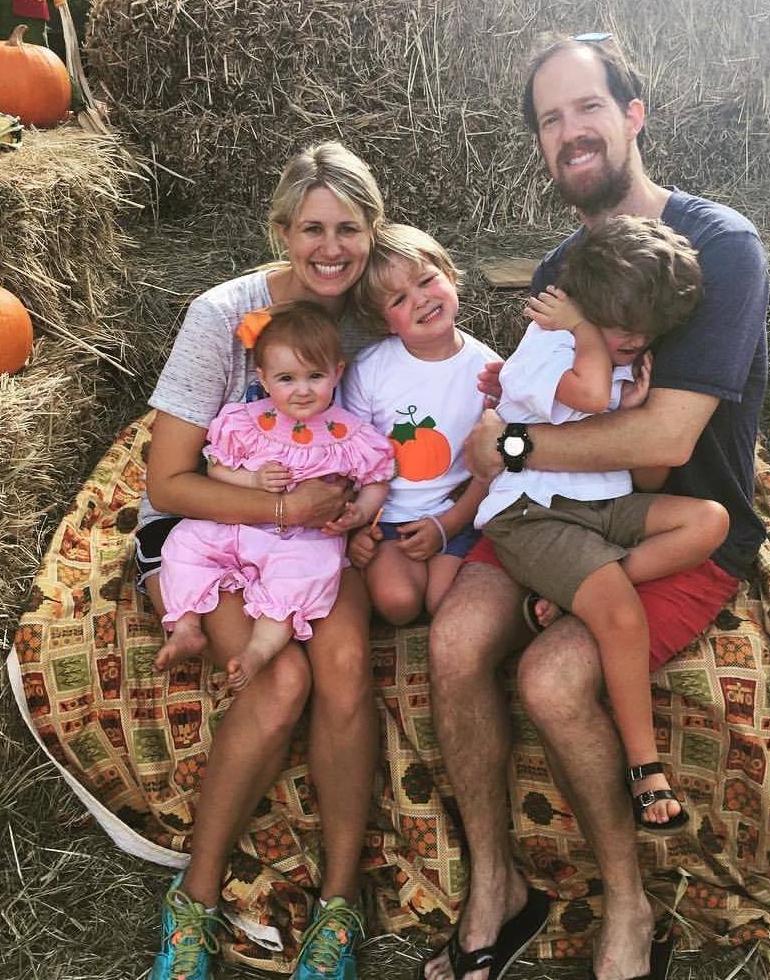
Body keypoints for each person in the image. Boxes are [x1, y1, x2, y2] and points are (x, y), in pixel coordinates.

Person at [423, 34, 768, 980]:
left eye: (586, 108)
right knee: (452, 643)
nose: (569, 132)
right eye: (549, 119)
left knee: (550, 678)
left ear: (632, 115)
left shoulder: (718, 246)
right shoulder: (561, 261)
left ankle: (629, 905)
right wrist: (493, 435)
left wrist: (516, 445)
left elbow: (662, 440)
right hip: (551, 506)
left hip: (675, 518)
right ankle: (497, 884)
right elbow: (526, 389)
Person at [138, 141, 387, 980]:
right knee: (280, 678)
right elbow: (167, 480)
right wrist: (282, 505)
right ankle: (195, 902)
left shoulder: (376, 311)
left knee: (345, 661)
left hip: (314, 539)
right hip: (214, 528)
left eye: (347, 228)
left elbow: (410, 423)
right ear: (282, 231)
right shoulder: (225, 314)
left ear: (370, 231)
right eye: (312, 227)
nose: (330, 248)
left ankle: (338, 906)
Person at [476, 216, 729, 832]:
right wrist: (586, 332)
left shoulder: (617, 352)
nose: (636, 342)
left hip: (599, 506)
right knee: (618, 610)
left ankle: (572, 595)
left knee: (708, 520)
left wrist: (638, 412)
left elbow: (644, 479)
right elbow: (588, 398)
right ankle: (644, 765)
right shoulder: (549, 346)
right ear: (583, 306)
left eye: (647, 333)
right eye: (622, 328)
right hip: (535, 509)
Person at [156, 302, 396, 691]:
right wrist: (251, 480)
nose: (302, 390)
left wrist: (358, 514)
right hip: (240, 524)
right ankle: (185, 626)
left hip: (302, 539)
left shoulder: (351, 434)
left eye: (315, 376)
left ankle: (260, 649)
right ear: (264, 380)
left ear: (337, 372)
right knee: (185, 542)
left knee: (305, 573)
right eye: (287, 378)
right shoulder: (246, 422)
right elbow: (216, 469)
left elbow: (376, 480)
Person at [341, 224, 502, 624]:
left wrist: (448, 524)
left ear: (449, 275)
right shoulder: (370, 369)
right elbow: (353, 461)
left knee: (444, 604)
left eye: (427, 280)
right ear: (384, 321)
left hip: (458, 512)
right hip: (387, 519)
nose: (421, 300)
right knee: (398, 603)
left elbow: (490, 467)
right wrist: (357, 529)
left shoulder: (488, 371)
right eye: (398, 299)